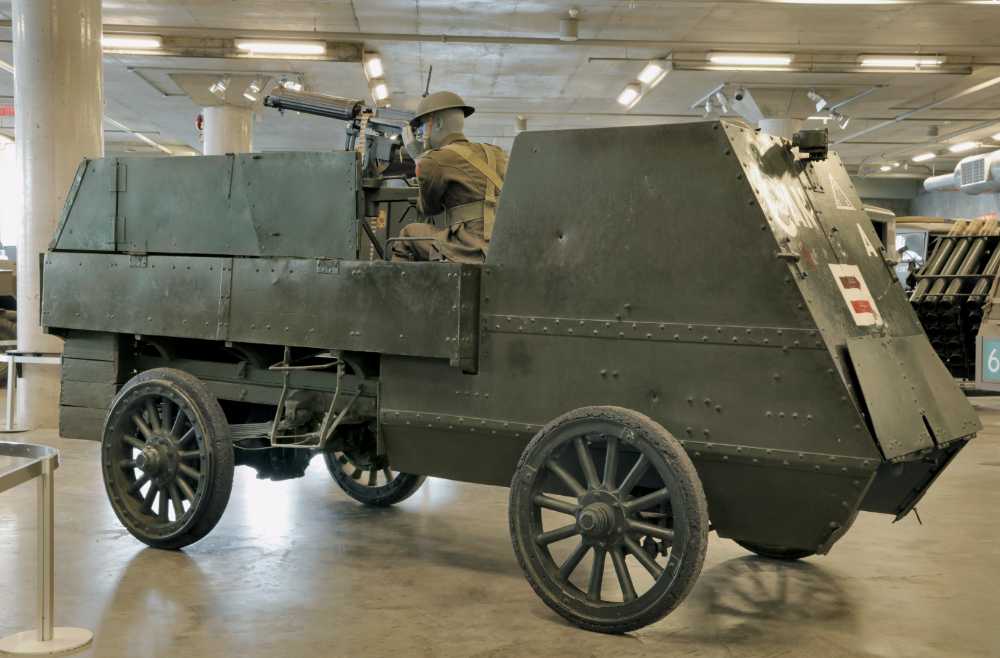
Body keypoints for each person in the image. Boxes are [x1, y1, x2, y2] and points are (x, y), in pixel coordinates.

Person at [391, 91, 508, 263]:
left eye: (422, 126)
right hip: (502, 243)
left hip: (468, 247)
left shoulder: (434, 160)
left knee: (407, 236)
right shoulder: (496, 153)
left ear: (437, 123)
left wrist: (419, 159)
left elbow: (429, 208)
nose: (421, 133)